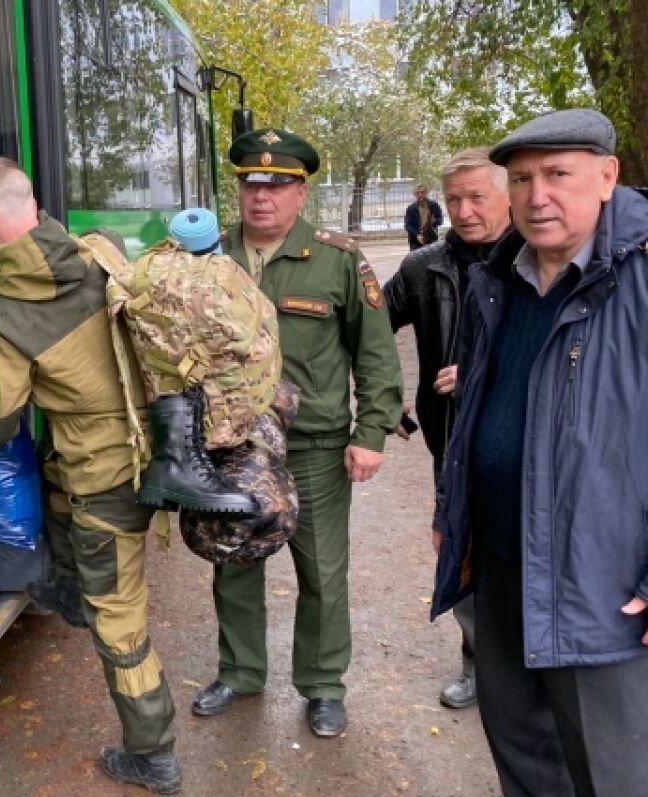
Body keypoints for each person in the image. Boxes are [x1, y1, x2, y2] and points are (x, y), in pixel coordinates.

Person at [432, 108, 648, 796]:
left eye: (558, 174)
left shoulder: (637, 277)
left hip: (603, 583)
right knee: (523, 756)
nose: (537, 195)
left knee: (612, 774)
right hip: (500, 563)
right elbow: (473, 411)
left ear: (607, 176)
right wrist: (453, 509)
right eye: (521, 179)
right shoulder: (498, 277)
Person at [0, 157, 181, 794]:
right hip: (154, 443)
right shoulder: (98, 250)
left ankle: (153, 750)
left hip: (109, 477)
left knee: (120, 618)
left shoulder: (7, 319)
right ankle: (68, 589)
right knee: (57, 490)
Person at [191, 127, 404, 737]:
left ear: (300, 192)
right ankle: (240, 671)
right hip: (229, 445)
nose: (263, 197)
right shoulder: (206, 256)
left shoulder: (338, 258)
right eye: (252, 184)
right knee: (232, 560)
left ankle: (322, 685)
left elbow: (377, 354)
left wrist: (373, 432)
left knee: (323, 572)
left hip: (313, 445)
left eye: (278, 185)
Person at [383, 147, 512, 710]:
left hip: (524, 445)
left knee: (520, 560)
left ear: (507, 196)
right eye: (454, 198)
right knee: (461, 554)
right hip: (454, 446)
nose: (463, 209)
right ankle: (478, 667)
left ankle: (530, 676)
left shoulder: (538, 260)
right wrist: (383, 405)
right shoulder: (422, 267)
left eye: (477, 196)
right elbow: (362, 333)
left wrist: (490, 371)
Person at [404, 183, 444, 250]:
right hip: (415, 241)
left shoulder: (434, 205)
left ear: (426, 193)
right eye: (417, 193)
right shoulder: (410, 208)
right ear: (415, 194)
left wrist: (435, 221)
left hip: (431, 239)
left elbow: (440, 220)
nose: (420, 195)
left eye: (422, 192)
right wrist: (417, 235)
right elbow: (407, 225)